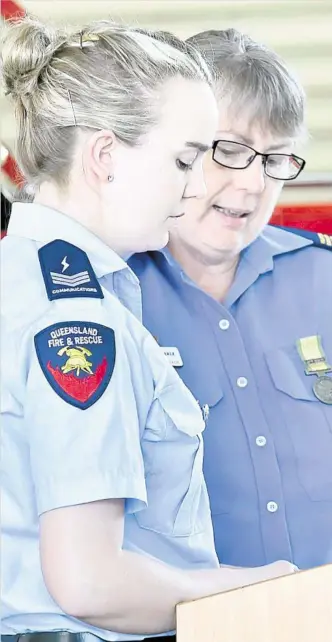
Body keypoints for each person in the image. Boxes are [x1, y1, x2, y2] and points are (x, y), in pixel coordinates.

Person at [1, 18, 298, 642]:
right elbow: (89, 583)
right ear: (105, 157)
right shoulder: (77, 319)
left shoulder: (22, 278)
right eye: (184, 159)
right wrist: (258, 594)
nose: (195, 186)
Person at [129, 28, 332, 572]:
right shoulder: (108, 292)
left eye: (275, 159)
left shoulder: (323, 276)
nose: (250, 186)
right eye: (230, 150)